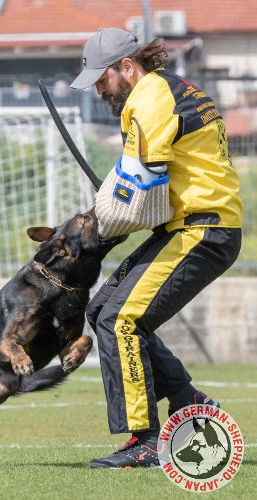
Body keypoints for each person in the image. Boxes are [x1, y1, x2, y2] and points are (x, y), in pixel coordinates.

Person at [70, 28, 242, 469]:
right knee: (101, 309)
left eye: (102, 79)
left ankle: (146, 440)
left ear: (127, 67)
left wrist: (103, 220)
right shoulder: (168, 90)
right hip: (188, 225)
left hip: (204, 231)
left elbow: (141, 189)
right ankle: (186, 401)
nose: (101, 90)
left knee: (119, 320)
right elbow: (150, 187)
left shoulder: (149, 99)